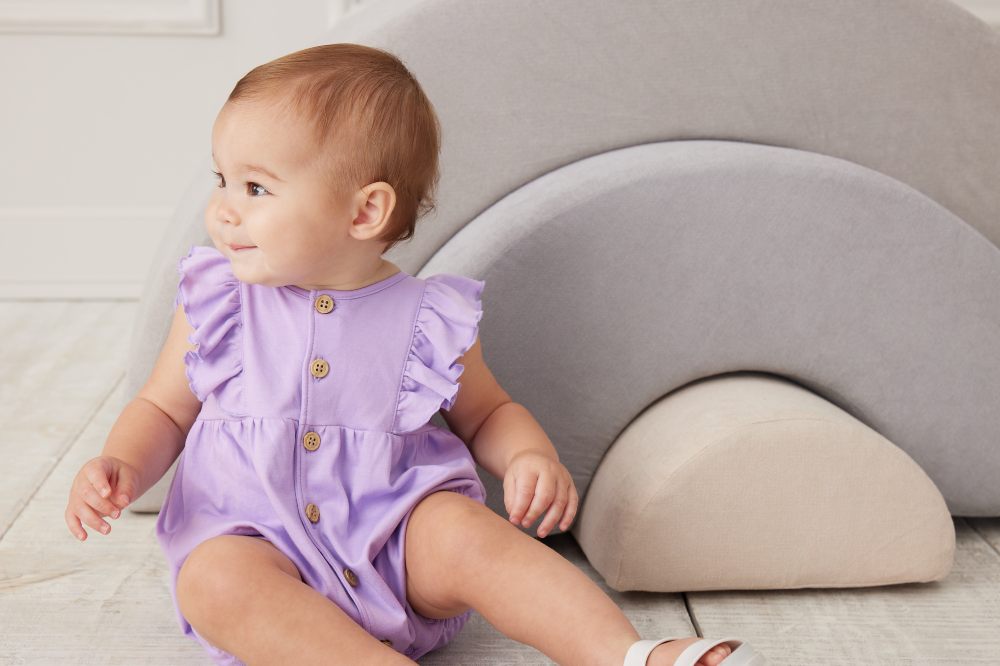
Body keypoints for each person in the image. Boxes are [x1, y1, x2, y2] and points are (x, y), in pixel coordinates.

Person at [63, 43, 748, 666]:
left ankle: (625, 654)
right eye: (222, 179)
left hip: (396, 545)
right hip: (257, 542)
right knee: (212, 581)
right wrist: (122, 462)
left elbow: (486, 413)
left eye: (256, 188)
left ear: (364, 213)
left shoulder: (427, 317)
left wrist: (528, 456)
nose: (223, 210)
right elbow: (161, 407)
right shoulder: (217, 300)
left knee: (467, 534)